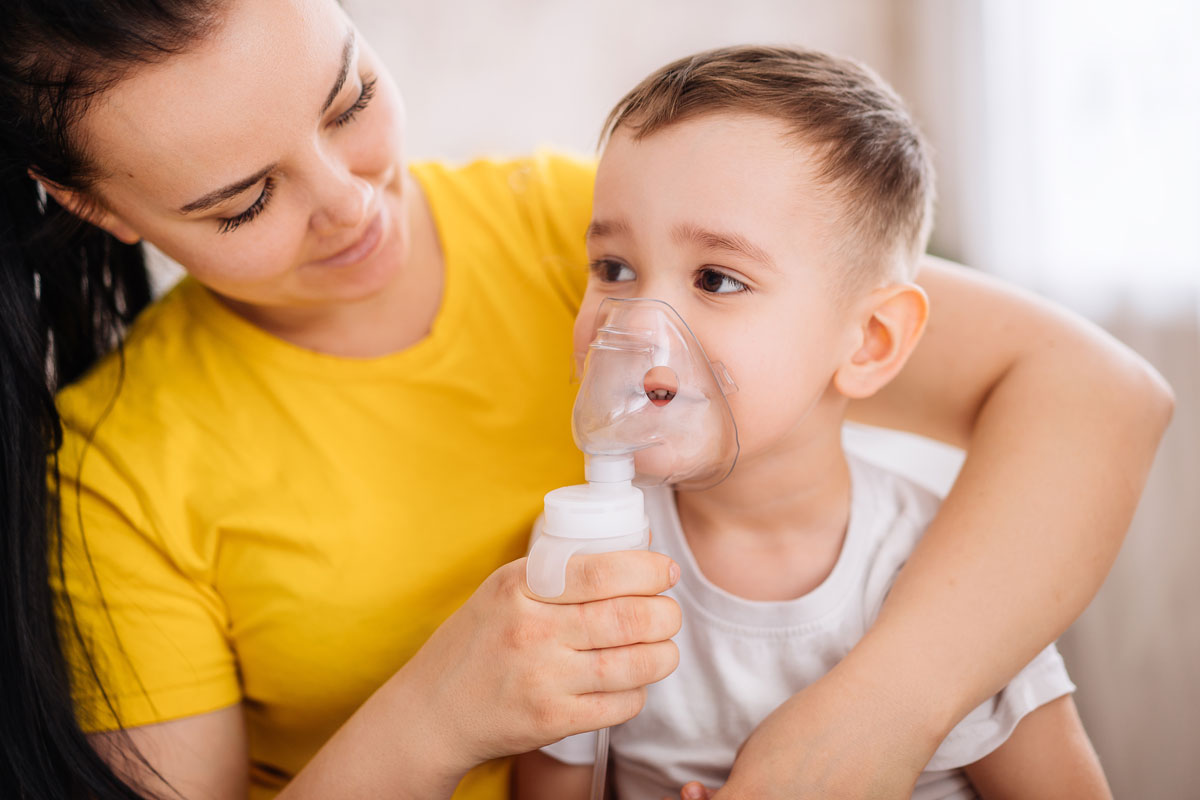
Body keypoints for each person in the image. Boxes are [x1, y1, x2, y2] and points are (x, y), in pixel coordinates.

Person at [0, 2, 1171, 799]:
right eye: (243, 199)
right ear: (99, 208)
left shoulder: (604, 232)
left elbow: (1097, 394)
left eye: (349, 96)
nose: (353, 203)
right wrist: (437, 716)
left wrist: (873, 719)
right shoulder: (116, 470)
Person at [513, 45, 1114, 800]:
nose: (635, 324)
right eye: (614, 269)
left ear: (870, 341)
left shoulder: (945, 579)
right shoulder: (591, 563)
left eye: (717, 278)